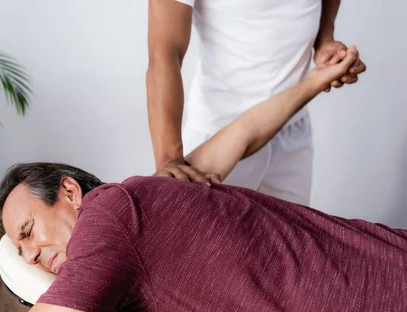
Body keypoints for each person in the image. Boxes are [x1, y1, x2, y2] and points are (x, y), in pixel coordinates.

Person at [0, 48, 407, 312]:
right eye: (22, 251)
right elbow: (243, 134)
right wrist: (316, 81)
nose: (30, 256)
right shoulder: (152, 192)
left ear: (69, 192)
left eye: (27, 231)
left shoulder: (105, 224)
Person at [147, 0, 366, 205]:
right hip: (219, 140)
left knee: (288, 245)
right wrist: (169, 160)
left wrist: (324, 36)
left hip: (293, 130)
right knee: (212, 244)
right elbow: (165, 51)